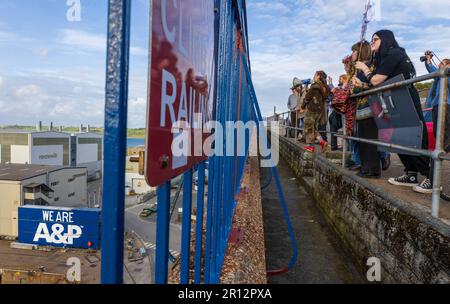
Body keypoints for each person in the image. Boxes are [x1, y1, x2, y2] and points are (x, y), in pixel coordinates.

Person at [355, 30, 430, 186]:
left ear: (385, 39)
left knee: (414, 134)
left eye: (375, 39)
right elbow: (373, 82)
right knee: (399, 137)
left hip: (406, 96)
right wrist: (361, 84)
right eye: (371, 40)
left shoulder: (394, 53)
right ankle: (410, 173)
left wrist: (364, 68)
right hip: (393, 98)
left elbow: (376, 80)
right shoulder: (383, 58)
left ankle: (432, 178)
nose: (372, 42)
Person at [413, 54, 450, 194]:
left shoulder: (446, 76)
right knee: (438, 145)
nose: (440, 65)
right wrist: (428, 61)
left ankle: (434, 181)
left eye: (443, 63)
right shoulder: (439, 77)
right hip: (437, 109)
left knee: (441, 146)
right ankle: (433, 180)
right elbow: (433, 69)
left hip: (445, 109)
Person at [301, 71, 330, 153]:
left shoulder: (315, 86)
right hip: (320, 110)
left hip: (312, 109)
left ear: (318, 76)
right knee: (314, 128)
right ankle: (322, 142)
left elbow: (307, 97)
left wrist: (302, 106)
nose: (313, 77)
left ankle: (310, 146)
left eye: (315, 75)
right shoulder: (325, 87)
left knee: (308, 127)